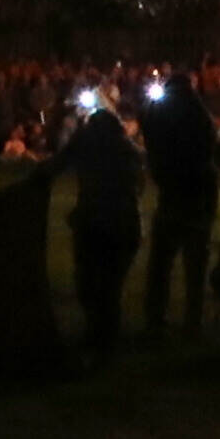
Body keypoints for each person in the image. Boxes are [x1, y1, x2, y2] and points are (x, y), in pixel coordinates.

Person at [55, 88, 146, 355]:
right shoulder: (128, 152)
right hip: (120, 225)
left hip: (99, 224)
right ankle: (105, 336)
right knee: (108, 286)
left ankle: (101, 337)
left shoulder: (92, 145)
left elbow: (58, 163)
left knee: (93, 284)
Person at [137, 73, 220, 334]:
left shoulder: (163, 118)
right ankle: (191, 319)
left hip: (175, 194)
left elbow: (148, 129)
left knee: (162, 261)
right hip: (196, 195)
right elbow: (210, 142)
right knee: (193, 263)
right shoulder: (198, 116)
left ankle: (156, 316)